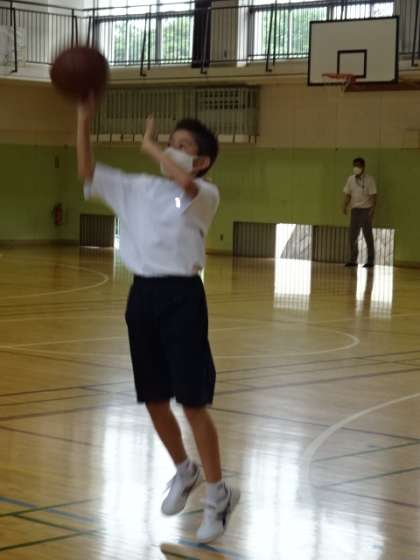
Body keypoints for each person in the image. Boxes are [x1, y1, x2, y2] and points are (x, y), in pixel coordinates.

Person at [76, 96, 240, 544]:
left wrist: (150, 146)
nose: (172, 149)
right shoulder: (139, 188)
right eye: (170, 142)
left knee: (193, 403)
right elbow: (87, 170)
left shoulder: (203, 194)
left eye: (182, 145)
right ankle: (184, 471)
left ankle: (218, 495)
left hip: (182, 298)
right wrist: (83, 120)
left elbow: (184, 183)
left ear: (201, 161)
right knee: (153, 398)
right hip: (142, 297)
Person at [343, 157, 377, 268]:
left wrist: (372, 209)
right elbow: (348, 194)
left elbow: (374, 195)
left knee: (368, 235)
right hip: (355, 210)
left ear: (363, 167)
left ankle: (370, 261)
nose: (356, 168)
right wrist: (345, 205)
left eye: (358, 165)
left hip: (366, 210)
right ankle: (353, 260)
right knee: (352, 236)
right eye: (354, 165)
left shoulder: (369, 179)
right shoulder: (350, 179)